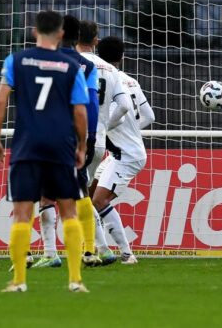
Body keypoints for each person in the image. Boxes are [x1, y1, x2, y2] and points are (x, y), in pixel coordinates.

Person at [0, 10, 90, 293]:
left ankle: (19, 281)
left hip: (26, 145)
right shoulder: (71, 67)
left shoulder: (16, 60)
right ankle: (75, 280)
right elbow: (80, 111)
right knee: (69, 211)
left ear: (35, 32)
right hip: (60, 145)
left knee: (22, 214)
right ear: (60, 34)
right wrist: (81, 146)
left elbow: (0, 101)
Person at [29, 15, 101, 269]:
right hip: (72, 137)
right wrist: (88, 138)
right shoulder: (86, 66)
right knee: (81, 191)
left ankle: (49, 253)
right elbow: (90, 104)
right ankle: (90, 250)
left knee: (44, 194)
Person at [92, 36, 155, 265]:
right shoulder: (130, 80)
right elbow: (150, 116)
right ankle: (95, 248)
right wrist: (131, 132)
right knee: (89, 197)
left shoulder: (103, 79)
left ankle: (127, 255)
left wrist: (107, 129)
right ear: (122, 57)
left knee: (97, 201)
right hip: (119, 153)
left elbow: (115, 112)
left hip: (125, 155)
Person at [77, 20, 134, 266]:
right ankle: (103, 249)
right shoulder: (111, 71)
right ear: (95, 41)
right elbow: (123, 105)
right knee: (82, 194)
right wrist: (104, 127)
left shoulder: (73, 64)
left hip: (78, 138)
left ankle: (97, 249)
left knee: (73, 195)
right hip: (99, 141)